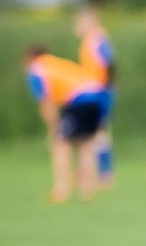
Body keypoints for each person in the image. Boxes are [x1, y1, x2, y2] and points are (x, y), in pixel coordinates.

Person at [24, 47, 108, 203]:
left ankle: (61, 189)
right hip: (98, 96)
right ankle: (88, 189)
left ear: (29, 57)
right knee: (86, 144)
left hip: (80, 99)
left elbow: (46, 102)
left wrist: (53, 128)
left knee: (60, 143)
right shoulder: (55, 63)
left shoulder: (36, 69)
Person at [74, 6, 115, 189]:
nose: (76, 25)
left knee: (97, 132)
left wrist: (104, 88)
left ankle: (104, 173)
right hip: (93, 91)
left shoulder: (97, 38)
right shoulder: (90, 40)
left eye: (80, 21)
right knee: (94, 132)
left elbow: (108, 64)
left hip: (99, 92)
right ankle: (89, 170)